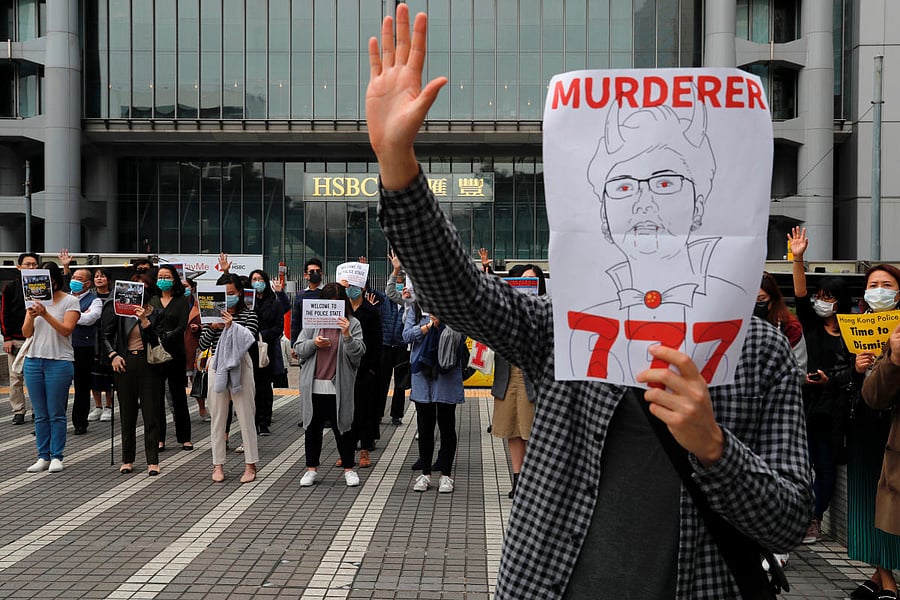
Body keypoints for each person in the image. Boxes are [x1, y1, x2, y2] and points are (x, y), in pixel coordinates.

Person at [368, 6, 812, 597]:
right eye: (623, 185)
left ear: (702, 198)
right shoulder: (561, 328)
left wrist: (713, 446)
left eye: (667, 181)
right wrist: (397, 163)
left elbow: (789, 519)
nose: (644, 202)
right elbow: (460, 292)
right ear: (603, 207)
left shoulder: (758, 354)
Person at [789, 226, 856, 545]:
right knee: (801, 463)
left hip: (834, 411)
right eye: (820, 296)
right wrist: (797, 258)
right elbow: (799, 295)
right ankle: (796, 516)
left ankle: (815, 519)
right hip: (806, 404)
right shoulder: (812, 324)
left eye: (828, 297)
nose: (821, 301)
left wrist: (834, 379)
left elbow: (858, 370)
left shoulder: (851, 331)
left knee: (826, 464)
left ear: (840, 301)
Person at [846, 264, 900, 600]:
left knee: (889, 506)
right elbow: (838, 379)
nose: (878, 290)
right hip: (863, 428)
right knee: (867, 504)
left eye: (886, 284)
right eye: (873, 284)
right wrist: (855, 369)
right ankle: (882, 575)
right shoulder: (851, 326)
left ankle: (884, 576)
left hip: (892, 432)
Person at [294, 282, 365, 487]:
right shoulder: (312, 322)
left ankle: (349, 469)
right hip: (313, 385)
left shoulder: (352, 323)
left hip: (339, 385)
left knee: (343, 427)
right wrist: (313, 344)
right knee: (312, 427)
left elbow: (358, 354)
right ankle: (311, 469)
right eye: (329, 303)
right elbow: (299, 348)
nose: (332, 308)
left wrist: (347, 336)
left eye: (337, 304)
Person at [490, 262, 544, 499]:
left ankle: (534, 482)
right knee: (512, 429)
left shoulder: (546, 311)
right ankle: (517, 480)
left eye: (532, 281)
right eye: (524, 280)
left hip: (531, 376)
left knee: (530, 430)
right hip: (507, 373)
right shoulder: (507, 311)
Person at [198, 274, 260, 483]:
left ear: (239, 293)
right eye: (224, 294)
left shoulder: (249, 314)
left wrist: (230, 326)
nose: (228, 297)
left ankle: (250, 465)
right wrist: (213, 326)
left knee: (246, 415)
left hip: (241, 363)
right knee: (218, 416)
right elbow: (203, 343)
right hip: (217, 363)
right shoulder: (211, 315)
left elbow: (248, 339)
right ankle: (218, 464)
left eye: (231, 293)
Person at [102, 272, 164, 476]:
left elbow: (158, 340)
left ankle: (153, 460)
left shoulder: (155, 312)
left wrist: (145, 322)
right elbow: (105, 335)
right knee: (127, 413)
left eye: (142, 286)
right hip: (125, 362)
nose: (137, 290)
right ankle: (127, 459)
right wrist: (113, 355)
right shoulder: (119, 310)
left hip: (149, 363)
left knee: (151, 412)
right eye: (134, 285)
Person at [402, 296, 465, 494]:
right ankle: (426, 473)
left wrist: (445, 322)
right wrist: (428, 326)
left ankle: (446, 475)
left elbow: (463, 335)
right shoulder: (416, 306)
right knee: (424, 425)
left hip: (447, 371)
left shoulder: (454, 304)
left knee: (447, 425)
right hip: (423, 373)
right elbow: (405, 335)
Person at [22, 262, 80, 473]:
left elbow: (66, 330)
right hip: (33, 360)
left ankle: (57, 455)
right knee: (40, 413)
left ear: (55, 280)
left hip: (59, 361)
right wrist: (32, 314)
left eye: (47, 279)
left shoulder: (70, 301)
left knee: (56, 412)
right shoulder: (32, 301)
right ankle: (42, 455)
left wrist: (45, 313)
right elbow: (26, 332)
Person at [149, 265, 193, 452]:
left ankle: (184, 437)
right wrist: (156, 337)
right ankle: (159, 438)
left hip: (175, 352)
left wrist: (166, 336)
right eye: (160, 276)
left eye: (167, 276)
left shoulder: (181, 300)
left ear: (174, 279)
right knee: (156, 396)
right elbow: (148, 323)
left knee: (178, 396)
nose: (163, 279)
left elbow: (182, 325)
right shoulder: (152, 300)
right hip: (155, 352)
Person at [343, 276, 382, 468]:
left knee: (365, 410)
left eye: (355, 286)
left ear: (364, 287)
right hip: (345, 367)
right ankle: (346, 451)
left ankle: (365, 450)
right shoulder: (342, 311)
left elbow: (377, 342)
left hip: (366, 368)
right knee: (346, 411)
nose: (351, 289)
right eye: (348, 286)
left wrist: (373, 369)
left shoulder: (371, 310)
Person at [248, 268, 291, 435]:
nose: (257, 282)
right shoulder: (247, 301)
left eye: (259, 279)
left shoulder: (274, 301)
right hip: (248, 348)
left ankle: (264, 420)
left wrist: (261, 335)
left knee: (265, 386)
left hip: (267, 348)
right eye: (254, 279)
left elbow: (279, 326)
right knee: (250, 385)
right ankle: (251, 419)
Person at [2, 252, 39, 424]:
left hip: (37, 338)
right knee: (15, 376)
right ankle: (18, 410)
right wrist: (7, 338)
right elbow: (4, 314)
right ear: (19, 267)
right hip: (16, 339)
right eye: (27, 264)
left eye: (34, 264)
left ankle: (36, 410)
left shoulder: (43, 286)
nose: (31, 268)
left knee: (36, 376)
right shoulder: (10, 287)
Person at [68, 267, 103, 435]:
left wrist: (70, 316)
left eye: (79, 278)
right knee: (58, 387)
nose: (74, 280)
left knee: (82, 387)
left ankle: (80, 422)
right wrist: (79, 315)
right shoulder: (65, 297)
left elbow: (89, 319)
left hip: (83, 348)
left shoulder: (95, 300)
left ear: (88, 283)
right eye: (73, 277)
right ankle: (52, 422)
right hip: (63, 346)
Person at [379, 251, 411, 426]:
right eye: (398, 282)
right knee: (382, 382)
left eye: (402, 283)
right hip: (385, 346)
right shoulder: (387, 300)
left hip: (401, 347)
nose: (400, 286)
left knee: (400, 383)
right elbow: (389, 291)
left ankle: (396, 414)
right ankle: (378, 413)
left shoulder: (410, 302)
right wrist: (395, 270)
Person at [756, 271, 807, 374]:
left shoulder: (790, 327)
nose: (755, 304)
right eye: (751, 300)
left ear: (773, 298)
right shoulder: (738, 325)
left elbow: (799, 371)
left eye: (761, 299)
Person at [89, 268, 115, 422]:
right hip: (92, 340)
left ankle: (109, 406)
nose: (99, 279)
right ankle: (97, 406)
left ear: (109, 279)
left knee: (108, 375)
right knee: (94, 374)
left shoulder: (114, 295)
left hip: (109, 340)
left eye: (102, 276)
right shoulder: (90, 296)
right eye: (96, 276)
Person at [183, 278, 207, 421]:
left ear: (192, 288)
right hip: (178, 348)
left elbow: (210, 323)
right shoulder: (174, 303)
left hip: (195, 347)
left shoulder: (200, 304)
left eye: (186, 286)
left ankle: (202, 408)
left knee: (197, 379)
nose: (184, 288)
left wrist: (199, 327)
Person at [290, 258, 324, 346]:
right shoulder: (300, 295)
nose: (315, 274)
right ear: (306, 275)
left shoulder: (328, 292)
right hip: (305, 340)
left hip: (324, 338)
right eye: (312, 272)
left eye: (318, 271)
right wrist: (293, 344)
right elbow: (295, 321)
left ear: (322, 274)